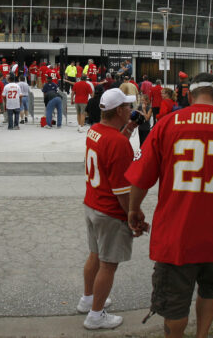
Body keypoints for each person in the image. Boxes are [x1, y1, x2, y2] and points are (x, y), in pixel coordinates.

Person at [125, 72, 213, 338]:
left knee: (174, 303)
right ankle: (202, 334)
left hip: (176, 234)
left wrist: (133, 209)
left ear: (189, 96)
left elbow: (141, 178)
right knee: (211, 290)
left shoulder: (168, 124)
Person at [79, 88, 138, 329]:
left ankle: (88, 299)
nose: (131, 109)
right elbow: (122, 191)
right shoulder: (118, 143)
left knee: (95, 254)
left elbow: (110, 148)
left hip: (92, 202)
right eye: (128, 106)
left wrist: (128, 130)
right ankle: (95, 315)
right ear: (120, 110)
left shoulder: (95, 130)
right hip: (109, 211)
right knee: (108, 264)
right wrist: (132, 215)